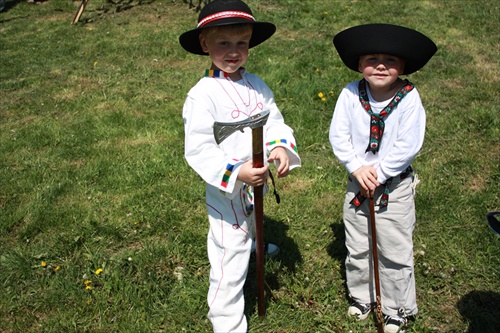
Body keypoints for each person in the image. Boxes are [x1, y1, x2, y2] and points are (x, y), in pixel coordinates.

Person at [179, 1, 301, 332]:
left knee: (251, 223)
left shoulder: (256, 85)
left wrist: (279, 148)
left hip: (256, 180)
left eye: (242, 43)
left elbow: (274, 121)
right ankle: (226, 319)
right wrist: (236, 172)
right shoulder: (202, 96)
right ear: (205, 44)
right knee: (227, 253)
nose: (234, 52)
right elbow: (199, 149)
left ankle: (254, 245)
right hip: (226, 189)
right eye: (224, 43)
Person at [329, 24, 437, 333]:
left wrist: (381, 173)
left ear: (402, 66)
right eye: (372, 58)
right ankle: (363, 296)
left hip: (394, 188)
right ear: (359, 63)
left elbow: (408, 143)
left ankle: (396, 308)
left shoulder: (408, 98)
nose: (380, 66)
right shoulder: (350, 94)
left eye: (390, 60)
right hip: (358, 184)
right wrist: (356, 167)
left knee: (393, 249)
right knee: (358, 244)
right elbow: (339, 135)